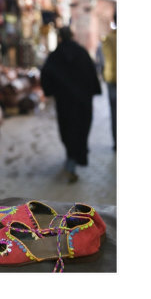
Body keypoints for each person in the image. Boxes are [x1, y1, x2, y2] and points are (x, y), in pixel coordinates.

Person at [40, 26, 101, 183]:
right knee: (80, 129)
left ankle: (71, 159)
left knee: (67, 129)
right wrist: (91, 92)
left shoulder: (55, 56)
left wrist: (51, 91)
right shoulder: (82, 53)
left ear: (60, 37)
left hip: (64, 101)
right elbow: (91, 73)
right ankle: (73, 160)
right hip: (82, 101)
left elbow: (46, 74)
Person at [101, 12, 117, 151]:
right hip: (112, 78)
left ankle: (116, 142)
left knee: (114, 112)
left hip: (111, 78)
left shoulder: (108, 39)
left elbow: (103, 59)